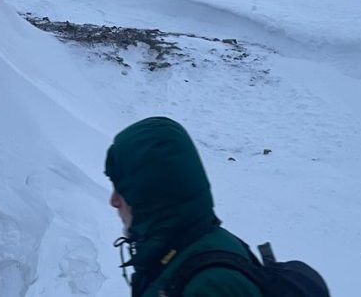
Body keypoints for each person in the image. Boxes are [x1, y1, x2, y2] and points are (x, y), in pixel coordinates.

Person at [104, 117, 261, 297]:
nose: (113, 201)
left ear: (151, 193)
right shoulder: (174, 252)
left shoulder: (211, 284)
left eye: (122, 189)